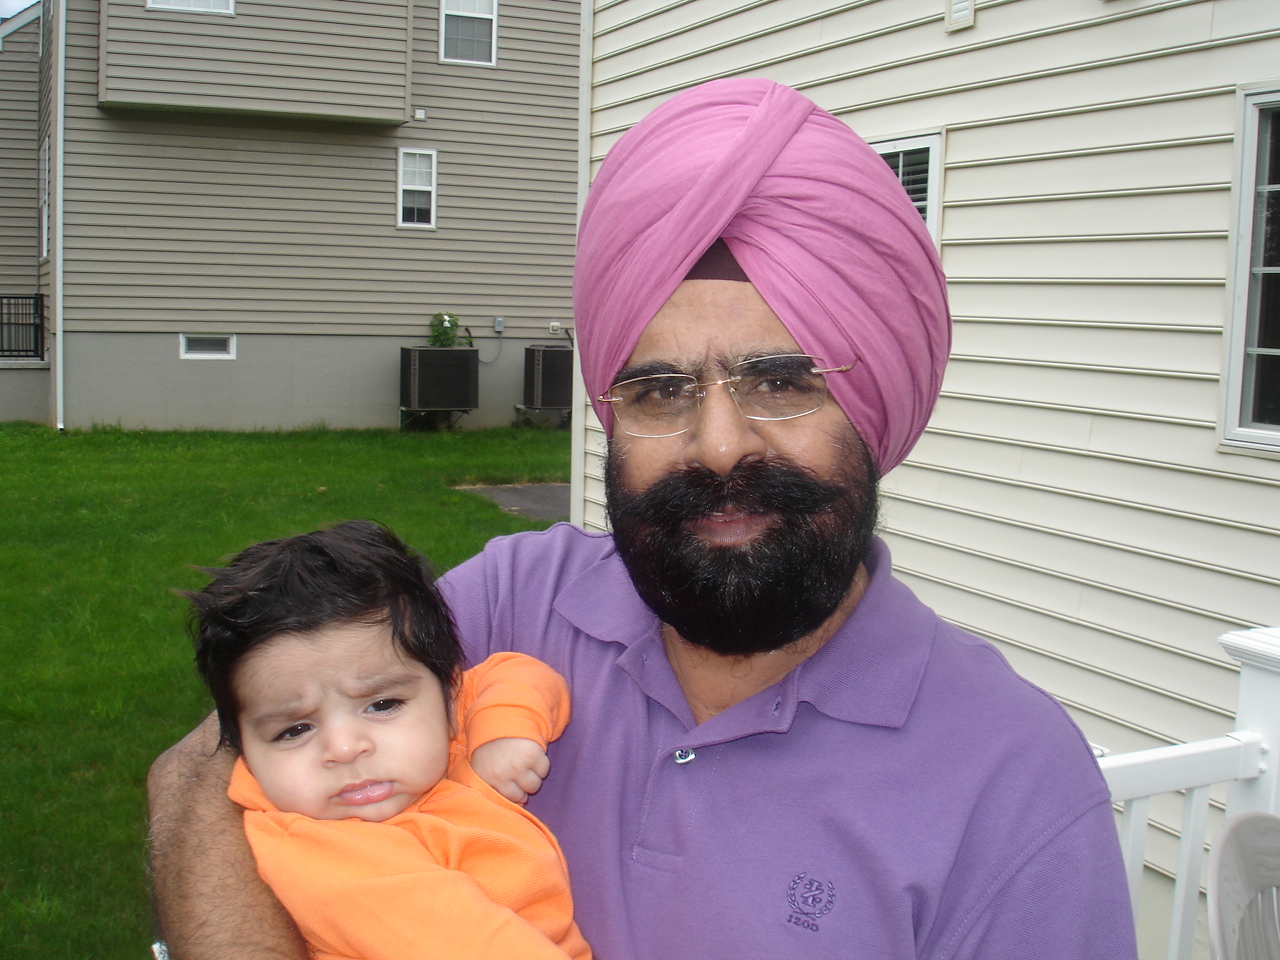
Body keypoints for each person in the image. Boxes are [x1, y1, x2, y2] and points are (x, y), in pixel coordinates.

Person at [149, 78, 1138, 959]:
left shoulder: (1010, 784)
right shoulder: (510, 602)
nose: (716, 447)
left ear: (872, 405)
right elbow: (200, 776)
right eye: (659, 392)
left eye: (782, 381)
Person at [182, 520, 591, 960]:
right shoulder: (316, 854)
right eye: (294, 729)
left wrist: (504, 731)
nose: (344, 748)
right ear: (242, 750)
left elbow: (514, 671)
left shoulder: (449, 723)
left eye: (382, 706)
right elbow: (467, 944)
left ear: (449, 696)